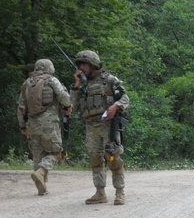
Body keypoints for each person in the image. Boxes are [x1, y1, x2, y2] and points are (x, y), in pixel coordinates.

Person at [69, 49, 130, 205]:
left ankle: (120, 192)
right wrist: (76, 85)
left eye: (84, 64)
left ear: (93, 65)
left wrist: (115, 106)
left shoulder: (109, 80)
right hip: (91, 126)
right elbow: (72, 103)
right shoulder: (83, 85)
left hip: (108, 125)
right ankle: (100, 192)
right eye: (79, 64)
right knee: (95, 159)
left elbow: (125, 97)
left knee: (113, 157)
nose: (81, 67)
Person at [17, 58, 71, 196]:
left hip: (32, 124)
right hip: (49, 124)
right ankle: (41, 172)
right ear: (49, 68)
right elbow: (65, 98)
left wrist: (23, 126)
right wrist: (68, 106)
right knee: (55, 153)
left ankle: (43, 187)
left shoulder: (26, 84)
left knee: (38, 155)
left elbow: (21, 107)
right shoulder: (51, 80)